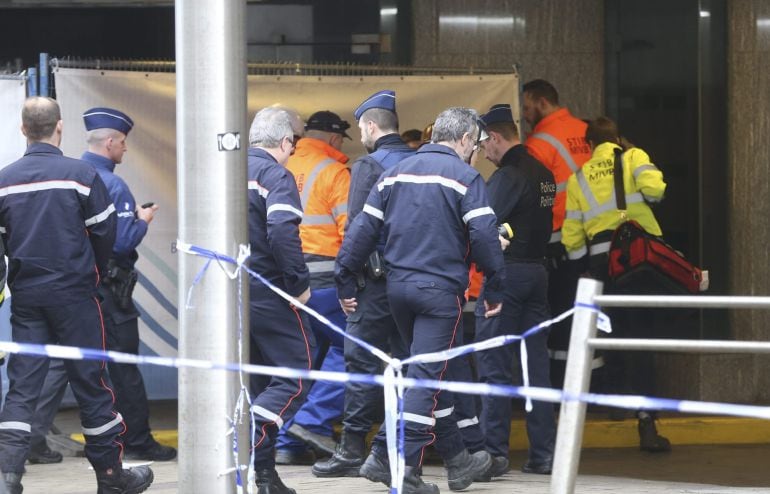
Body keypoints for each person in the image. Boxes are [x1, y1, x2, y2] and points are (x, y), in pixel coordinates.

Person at [336, 107, 505, 493]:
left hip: (397, 292)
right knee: (427, 378)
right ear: (463, 140)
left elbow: (362, 230)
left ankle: (456, 461)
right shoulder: (466, 177)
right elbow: (483, 235)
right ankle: (399, 467)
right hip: (439, 294)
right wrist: (495, 284)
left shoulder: (393, 174)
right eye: (476, 145)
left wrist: (345, 278)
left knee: (427, 374)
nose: (476, 153)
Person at [0, 96, 153, 494]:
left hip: (28, 299)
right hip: (76, 296)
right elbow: (106, 236)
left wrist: (14, 278)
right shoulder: (81, 175)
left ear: (22, 129)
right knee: (92, 385)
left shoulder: (4, 180)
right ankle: (110, 477)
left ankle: (7, 477)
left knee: (22, 386)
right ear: (60, 127)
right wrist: (93, 274)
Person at [312, 89, 414, 478]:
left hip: (373, 285)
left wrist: (345, 282)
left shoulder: (368, 167)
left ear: (372, 126)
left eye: (361, 127)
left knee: (360, 364)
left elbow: (357, 229)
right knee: (406, 365)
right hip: (412, 283)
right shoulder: (420, 161)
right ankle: (388, 451)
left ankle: (352, 448)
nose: (361, 133)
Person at [561, 116, 670, 452]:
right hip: (639, 263)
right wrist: (636, 155)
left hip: (601, 268)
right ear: (617, 140)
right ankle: (646, 418)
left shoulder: (578, 178)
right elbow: (657, 190)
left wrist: (587, 266)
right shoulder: (632, 157)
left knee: (612, 333)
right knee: (642, 339)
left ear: (590, 146)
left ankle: (614, 401)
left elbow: (572, 240)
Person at [78, 106, 176, 462]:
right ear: (110, 142)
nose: (125, 150)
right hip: (112, 290)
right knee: (124, 369)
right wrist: (143, 220)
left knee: (89, 368)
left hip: (83, 290)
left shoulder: (75, 175)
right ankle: (136, 441)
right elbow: (119, 243)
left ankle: (100, 440)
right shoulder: (113, 184)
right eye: (123, 143)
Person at [475, 104, 557, 478]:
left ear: (495, 138)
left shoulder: (508, 175)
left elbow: (483, 225)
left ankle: (494, 453)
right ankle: (544, 454)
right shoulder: (543, 172)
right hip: (537, 273)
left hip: (508, 276)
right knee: (535, 367)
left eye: (484, 144)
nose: (483, 152)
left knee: (495, 365)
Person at [275, 110, 351, 464]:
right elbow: (351, 233)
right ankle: (312, 422)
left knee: (304, 358)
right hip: (324, 282)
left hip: (284, 280)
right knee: (352, 349)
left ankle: (286, 443)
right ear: (334, 140)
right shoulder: (334, 171)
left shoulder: (280, 165)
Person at [246, 106, 315, 494]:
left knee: (259, 384)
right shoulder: (276, 175)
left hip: (231, 296)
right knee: (297, 373)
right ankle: (252, 432)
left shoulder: (227, 171)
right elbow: (282, 232)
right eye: (294, 143)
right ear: (286, 142)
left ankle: (265, 476)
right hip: (271, 292)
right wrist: (298, 285)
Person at [521, 79, 592, 387]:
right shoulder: (585, 131)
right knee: (586, 314)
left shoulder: (539, 144)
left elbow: (533, 199)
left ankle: (559, 386)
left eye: (526, 107)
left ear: (543, 103)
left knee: (558, 316)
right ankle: (594, 382)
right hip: (593, 236)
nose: (524, 114)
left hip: (557, 241)